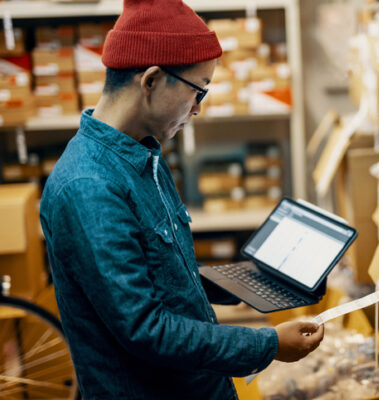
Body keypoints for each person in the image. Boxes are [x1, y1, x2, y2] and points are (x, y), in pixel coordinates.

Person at [39, 0, 324, 398]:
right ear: (152, 80)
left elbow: (165, 273)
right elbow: (146, 328)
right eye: (197, 92)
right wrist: (268, 345)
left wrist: (256, 280)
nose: (197, 110)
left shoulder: (142, 153)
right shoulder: (89, 186)